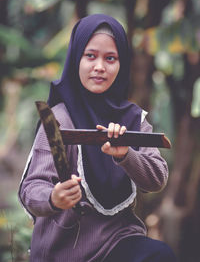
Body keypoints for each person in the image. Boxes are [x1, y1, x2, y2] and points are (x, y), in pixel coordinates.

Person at [19, 14, 177, 262]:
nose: (100, 67)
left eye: (110, 58)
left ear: (121, 64)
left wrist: (125, 154)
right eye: (90, 56)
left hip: (119, 239)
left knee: (159, 256)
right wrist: (54, 197)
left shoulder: (134, 118)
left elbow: (157, 179)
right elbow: (31, 188)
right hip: (64, 250)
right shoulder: (59, 119)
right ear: (75, 59)